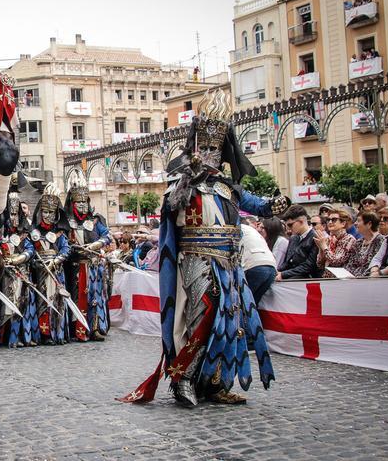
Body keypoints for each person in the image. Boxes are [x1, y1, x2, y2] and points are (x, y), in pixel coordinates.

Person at [120, 89, 286, 407]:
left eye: (216, 148)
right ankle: (183, 380)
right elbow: (171, 209)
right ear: (195, 148)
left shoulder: (229, 188)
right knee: (199, 320)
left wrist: (276, 203)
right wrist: (187, 178)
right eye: (205, 147)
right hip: (196, 262)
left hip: (230, 265)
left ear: (224, 151)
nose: (210, 153)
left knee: (230, 325)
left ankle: (215, 384)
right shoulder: (183, 184)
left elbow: (261, 207)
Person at [64, 175, 111, 342]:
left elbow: (107, 236)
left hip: (94, 267)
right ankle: (78, 329)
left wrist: (94, 245)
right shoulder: (67, 223)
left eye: (85, 202)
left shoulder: (96, 220)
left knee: (96, 298)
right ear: (73, 204)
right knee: (78, 298)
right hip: (76, 267)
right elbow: (62, 244)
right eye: (79, 203)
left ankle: (96, 328)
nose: (83, 206)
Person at [31, 183, 71, 346]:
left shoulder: (60, 233)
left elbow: (66, 249)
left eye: (51, 212)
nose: (47, 215)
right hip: (41, 273)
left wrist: (56, 260)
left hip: (56, 271)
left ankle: (58, 332)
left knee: (58, 302)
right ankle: (44, 333)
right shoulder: (33, 234)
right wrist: (35, 261)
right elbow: (29, 252)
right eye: (45, 212)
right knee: (42, 302)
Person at [0, 188, 37, 348]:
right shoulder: (1, 233)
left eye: (16, 214)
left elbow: (30, 249)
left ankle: (21, 336)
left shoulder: (24, 233)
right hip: (6, 275)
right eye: (11, 214)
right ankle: (9, 338)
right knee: (7, 307)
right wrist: (3, 258)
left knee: (22, 304)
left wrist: (19, 259)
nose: (14, 218)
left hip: (22, 273)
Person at [277, 205, 320, 280]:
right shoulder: (293, 238)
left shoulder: (316, 238)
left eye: (290, 225)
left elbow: (309, 266)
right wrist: (277, 271)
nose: (288, 229)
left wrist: (283, 274)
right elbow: (287, 262)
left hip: (307, 280)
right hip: (292, 277)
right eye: (286, 225)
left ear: (301, 221)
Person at [240, 220, 277, 304]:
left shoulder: (236, 228)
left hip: (254, 266)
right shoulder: (253, 231)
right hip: (271, 267)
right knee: (252, 304)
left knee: (243, 304)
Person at [316, 209, 357, 277]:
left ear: (343, 223)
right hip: (327, 278)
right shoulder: (329, 239)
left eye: (334, 219)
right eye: (328, 220)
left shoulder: (349, 239)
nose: (330, 222)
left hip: (343, 281)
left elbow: (336, 261)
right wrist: (320, 249)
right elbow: (319, 264)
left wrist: (324, 246)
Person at [344, 211, 384, 277]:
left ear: (369, 224)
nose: (355, 223)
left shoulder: (380, 241)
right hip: (352, 280)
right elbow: (350, 264)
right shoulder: (358, 242)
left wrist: (357, 277)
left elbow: (374, 265)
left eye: (359, 221)